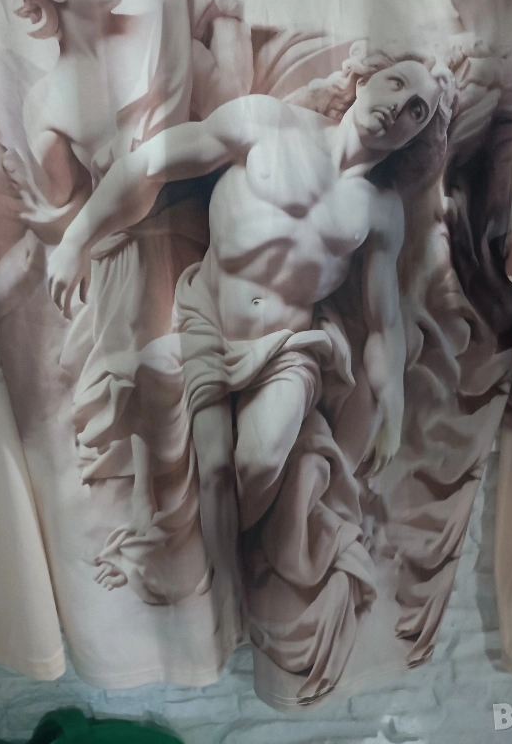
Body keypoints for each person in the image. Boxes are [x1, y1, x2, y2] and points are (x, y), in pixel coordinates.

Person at [46, 45, 455, 620]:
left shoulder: (380, 210)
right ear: (363, 80)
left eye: (417, 110)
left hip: (290, 349)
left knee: (257, 463)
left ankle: (219, 564)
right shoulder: (267, 121)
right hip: (209, 319)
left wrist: (392, 405)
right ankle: (220, 598)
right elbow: (150, 165)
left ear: (416, 136)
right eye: (394, 84)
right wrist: (74, 240)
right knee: (211, 466)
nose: (399, 106)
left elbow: (383, 320)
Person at [10, 0, 254, 531]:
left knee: (211, 415)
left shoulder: (157, 32)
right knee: (146, 412)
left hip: (199, 236)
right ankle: (151, 534)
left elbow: (229, 108)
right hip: (125, 261)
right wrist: (56, 227)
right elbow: (73, 203)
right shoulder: (46, 102)